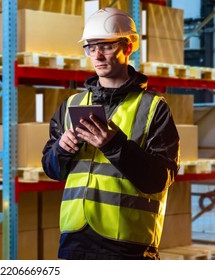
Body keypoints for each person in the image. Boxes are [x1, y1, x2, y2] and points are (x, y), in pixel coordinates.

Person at [41, 7, 180, 260]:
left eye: (105, 46)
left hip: (127, 244)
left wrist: (115, 145)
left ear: (127, 47)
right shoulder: (72, 104)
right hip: (75, 238)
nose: (97, 55)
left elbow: (160, 178)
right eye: (91, 47)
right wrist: (61, 149)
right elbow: (51, 169)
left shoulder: (154, 108)